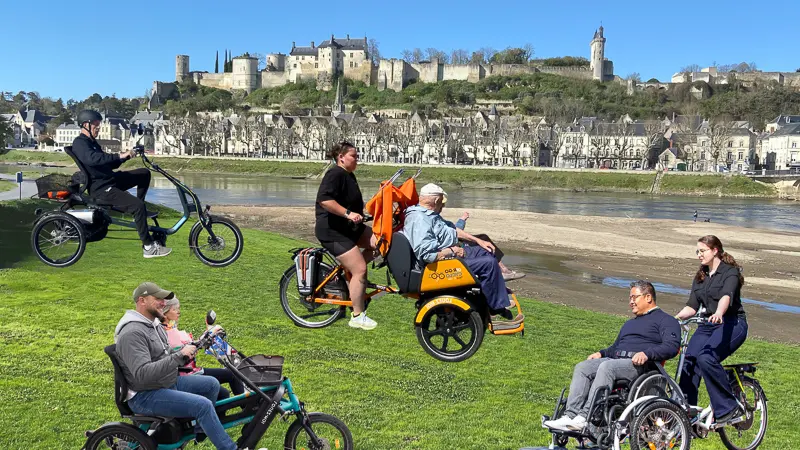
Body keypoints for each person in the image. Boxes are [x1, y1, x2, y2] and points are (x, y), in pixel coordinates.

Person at [114, 282, 239, 450]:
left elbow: (165, 354)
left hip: (165, 383)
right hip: (145, 395)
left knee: (211, 384)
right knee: (203, 406)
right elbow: (142, 374)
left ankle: (196, 429)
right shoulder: (132, 333)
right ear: (142, 301)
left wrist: (188, 349)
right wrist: (179, 356)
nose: (163, 303)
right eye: (158, 299)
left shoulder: (153, 325)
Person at [544, 281, 680, 432]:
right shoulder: (629, 324)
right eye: (630, 298)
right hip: (616, 361)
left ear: (648, 297)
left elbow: (672, 347)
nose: (631, 302)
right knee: (583, 367)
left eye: (634, 297)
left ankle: (584, 417)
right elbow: (616, 348)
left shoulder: (667, 321)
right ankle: (569, 416)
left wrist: (647, 354)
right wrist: (601, 353)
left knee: (606, 367)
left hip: (640, 366)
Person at [402, 183, 516, 320]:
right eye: (441, 203)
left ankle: (494, 295)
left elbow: (452, 230)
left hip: (448, 256)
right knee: (489, 263)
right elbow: (428, 255)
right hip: (436, 266)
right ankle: (495, 306)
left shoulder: (429, 215)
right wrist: (452, 250)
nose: (443, 206)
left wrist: (478, 241)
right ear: (437, 200)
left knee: (486, 250)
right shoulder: (420, 219)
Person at [71, 109, 170, 258]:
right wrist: (119, 155)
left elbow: (108, 164)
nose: (98, 128)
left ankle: (140, 212)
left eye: (99, 125)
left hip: (110, 180)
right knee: (137, 206)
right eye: (96, 125)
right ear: (86, 125)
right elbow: (94, 159)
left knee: (144, 173)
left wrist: (127, 156)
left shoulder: (92, 143)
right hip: (101, 188)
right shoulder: (80, 143)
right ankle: (148, 247)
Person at [674, 235, 748, 425]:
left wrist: (720, 313)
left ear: (715, 251)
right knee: (689, 361)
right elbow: (692, 306)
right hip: (707, 326)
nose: (699, 255)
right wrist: (675, 319)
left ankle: (729, 407)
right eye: (697, 251)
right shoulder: (701, 276)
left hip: (731, 323)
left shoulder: (729, 272)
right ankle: (686, 414)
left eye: (702, 250)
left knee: (707, 358)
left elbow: (726, 296)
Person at [315, 142, 378, 330]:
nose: (357, 159)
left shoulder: (349, 175)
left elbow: (354, 204)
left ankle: (350, 274)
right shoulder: (335, 174)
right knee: (360, 269)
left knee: (381, 243)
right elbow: (325, 200)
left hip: (349, 227)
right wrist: (348, 214)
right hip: (332, 230)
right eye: (353, 156)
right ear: (341, 157)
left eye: (357, 156)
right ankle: (357, 316)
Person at [160, 296, 245, 400]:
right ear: (164, 311)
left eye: (178, 308)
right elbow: (180, 351)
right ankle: (249, 408)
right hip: (185, 374)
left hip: (191, 370)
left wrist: (205, 337)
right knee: (227, 382)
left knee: (227, 384)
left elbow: (189, 346)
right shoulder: (164, 331)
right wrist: (201, 341)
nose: (178, 312)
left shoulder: (170, 327)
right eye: (174, 309)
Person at [452, 210, 525, 281]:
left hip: (456, 242)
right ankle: (502, 270)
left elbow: (452, 229)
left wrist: (462, 220)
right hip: (454, 247)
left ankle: (502, 268)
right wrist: (462, 220)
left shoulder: (441, 220)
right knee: (482, 242)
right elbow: (453, 231)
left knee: (483, 237)